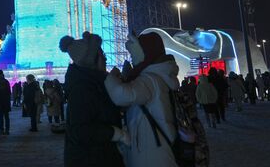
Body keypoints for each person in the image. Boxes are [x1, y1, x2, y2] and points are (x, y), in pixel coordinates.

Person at [104, 31, 180, 167]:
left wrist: (109, 76)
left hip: (152, 153)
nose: (132, 59)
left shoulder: (149, 79)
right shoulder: (160, 76)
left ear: (146, 54)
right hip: (159, 148)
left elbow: (121, 95)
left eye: (134, 54)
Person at [58, 32, 126, 167]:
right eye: (102, 55)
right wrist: (116, 133)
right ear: (91, 61)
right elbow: (80, 131)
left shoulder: (93, 83)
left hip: (98, 156)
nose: (105, 59)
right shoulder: (82, 88)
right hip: (90, 159)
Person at [0, 70, 11, 135]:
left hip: (1, 102)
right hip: (4, 102)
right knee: (5, 117)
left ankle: (3, 130)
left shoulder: (0, 82)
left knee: (2, 117)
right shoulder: (5, 81)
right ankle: (6, 130)